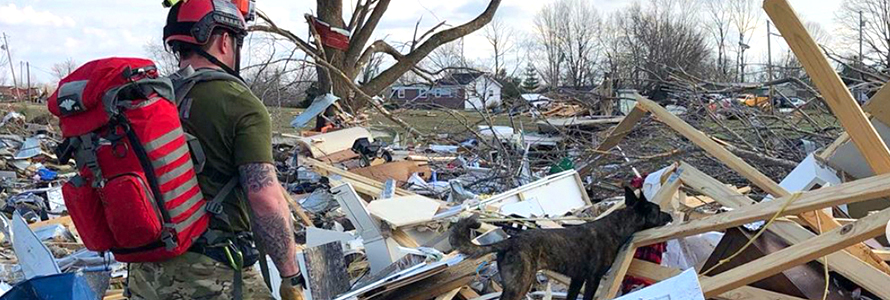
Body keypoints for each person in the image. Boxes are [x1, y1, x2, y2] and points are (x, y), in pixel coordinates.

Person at [126, 0, 303, 299]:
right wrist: (290, 275)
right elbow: (265, 200)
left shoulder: (148, 101)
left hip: (145, 274)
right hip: (212, 274)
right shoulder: (240, 103)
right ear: (224, 40)